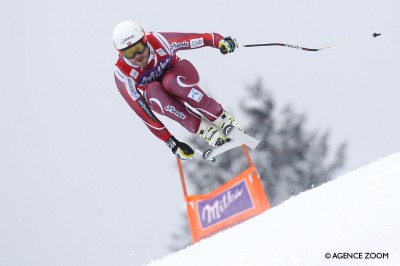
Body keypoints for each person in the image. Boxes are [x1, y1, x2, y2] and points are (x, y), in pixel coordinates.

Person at [113, 20, 242, 160]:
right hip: (162, 97)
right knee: (152, 92)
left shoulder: (159, 41)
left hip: (181, 75)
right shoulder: (123, 73)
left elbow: (198, 39)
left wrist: (220, 41)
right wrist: (171, 142)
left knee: (170, 82)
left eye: (138, 48)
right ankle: (206, 131)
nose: (137, 56)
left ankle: (222, 119)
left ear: (145, 40)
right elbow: (145, 114)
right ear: (120, 53)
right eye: (129, 53)